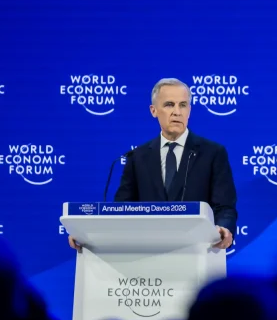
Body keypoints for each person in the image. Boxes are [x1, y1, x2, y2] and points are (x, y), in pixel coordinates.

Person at [68, 78, 238, 252]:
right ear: (154, 110)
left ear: (189, 110)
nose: (177, 112)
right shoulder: (137, 157)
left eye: (183, 105)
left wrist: (224, 228)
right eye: (169, 105)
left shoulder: (212, 153)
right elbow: (121, 210)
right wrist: (88, 235)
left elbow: (225, 206)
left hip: (197, 251)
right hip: (147, 253)